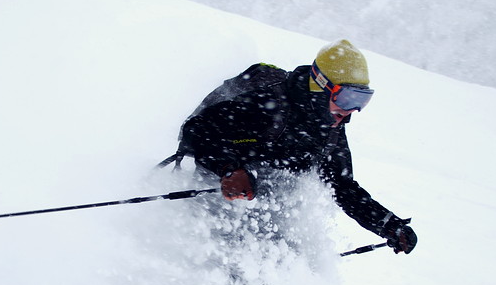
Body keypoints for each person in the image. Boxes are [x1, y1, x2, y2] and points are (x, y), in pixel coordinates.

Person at [179, 39, 417, 255]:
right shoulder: (266, 102)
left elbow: (342, 186)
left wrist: (388, 225)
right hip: (216, 194)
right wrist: (228, 169)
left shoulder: (330, 129)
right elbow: (196, 130)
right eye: (347, 98)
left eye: (361, 100)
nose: (351, 110)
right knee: (230, 268)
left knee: (272, 272)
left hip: (269, 211)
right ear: (321, 86)